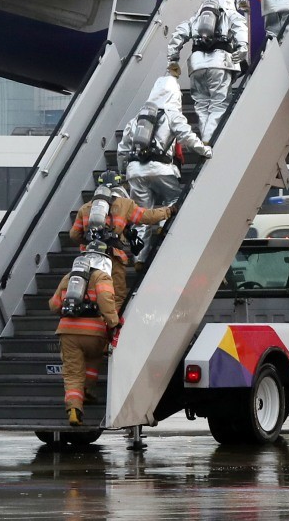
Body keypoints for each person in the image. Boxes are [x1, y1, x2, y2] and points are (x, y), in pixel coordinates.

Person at [116, 71, 212, 258]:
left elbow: (122, 150)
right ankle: (163, 226)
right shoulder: (171, 114)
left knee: (140, 215)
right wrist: (204, 150)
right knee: (173, 199)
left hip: (135, 171)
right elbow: (187, 136)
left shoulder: (136, 119)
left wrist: (123, 171)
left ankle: (139, 258)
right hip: (163, 169)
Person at [70, 170, 173, 313]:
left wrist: (90, 242)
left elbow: (74, 235)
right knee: (116, 294)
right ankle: (112, 324)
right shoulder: (125, 204)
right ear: (119, 184)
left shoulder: (85, 208)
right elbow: (148, 217)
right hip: (113, 257)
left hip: (88, 258)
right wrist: (169, 211)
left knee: (91, 291)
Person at [48, 243, 119, 426]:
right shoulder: (102, 277)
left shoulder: (69, 278)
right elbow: (106, 301)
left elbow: (54, 305)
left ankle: (74, 410)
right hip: (94, 333)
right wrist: (113, 322)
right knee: (94, 360)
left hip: (68, 332)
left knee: (72, 373)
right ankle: (88, 390)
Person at [167, 0, 248, 141]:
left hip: (196, 66)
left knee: (202, 106)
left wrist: (173, 59)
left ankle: (205, 138)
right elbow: (240, 26)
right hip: (219, 64)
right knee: (219, 104)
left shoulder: (195, 19)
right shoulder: (228, 14)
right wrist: (242, 46)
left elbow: (177, 36)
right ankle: (210, 141)